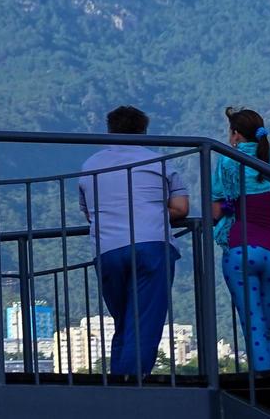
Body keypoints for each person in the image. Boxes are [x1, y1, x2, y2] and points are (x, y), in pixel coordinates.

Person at [78, 105, 190, 379]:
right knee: (144, 323)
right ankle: (131, 388)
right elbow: (181, 208)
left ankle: (119, 380)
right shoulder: (159, 161)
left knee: (124, 321)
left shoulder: (89, 166)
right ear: (143, 130)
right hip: (151, 244)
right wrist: (148, 209)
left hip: (108, 250)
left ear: (110, 130)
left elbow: (88, 212)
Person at [211, 108, 270, 374]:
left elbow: (214, 211)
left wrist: (230, 206)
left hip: (241, 252)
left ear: (235, 134)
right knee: (263, 332)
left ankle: (267, 393)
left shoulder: (227, 161)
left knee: (255, 331)